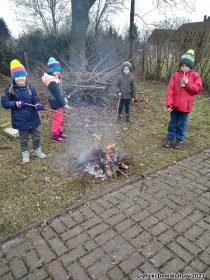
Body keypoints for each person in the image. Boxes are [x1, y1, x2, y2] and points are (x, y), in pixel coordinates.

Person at [1, 59, 46, 163]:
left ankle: (37, 150)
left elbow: (35, 98)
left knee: (37, 136)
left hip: (33, 118)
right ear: (13, 78)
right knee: (23, 139)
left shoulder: (30, 87)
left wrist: (38, 104)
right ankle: (25, 153)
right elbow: (4, 103)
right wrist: (16, 104)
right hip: (20, 119)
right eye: (17, 76)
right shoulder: (10, 90)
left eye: (22, 76)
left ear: (26, 77)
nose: (20, 78)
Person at [165, 49, 202, 149]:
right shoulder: (175, 75)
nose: (184, 68)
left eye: (186, 66)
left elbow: (197, 89)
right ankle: (169, 138)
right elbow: (170, 90)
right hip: (174, 106)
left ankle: (180, 140)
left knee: (182, 124)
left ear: (190, 66)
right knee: (172, 122)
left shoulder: (195, 76)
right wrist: (169, 104)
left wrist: (187, 84)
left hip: (185, 106)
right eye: (182, 65)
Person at [42, 57, 71, 142]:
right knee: (57, 119)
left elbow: (60, 91)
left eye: (59, 70)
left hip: (59, 102)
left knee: (60, 118)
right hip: (55, 103)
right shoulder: (52, 82)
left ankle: (59, 132)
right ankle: (55, 135)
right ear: (51, 70)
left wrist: (64, 96)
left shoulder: (55, 79)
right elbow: (57, 95)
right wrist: (64, 104)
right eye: (56, 71)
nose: (58, 72)